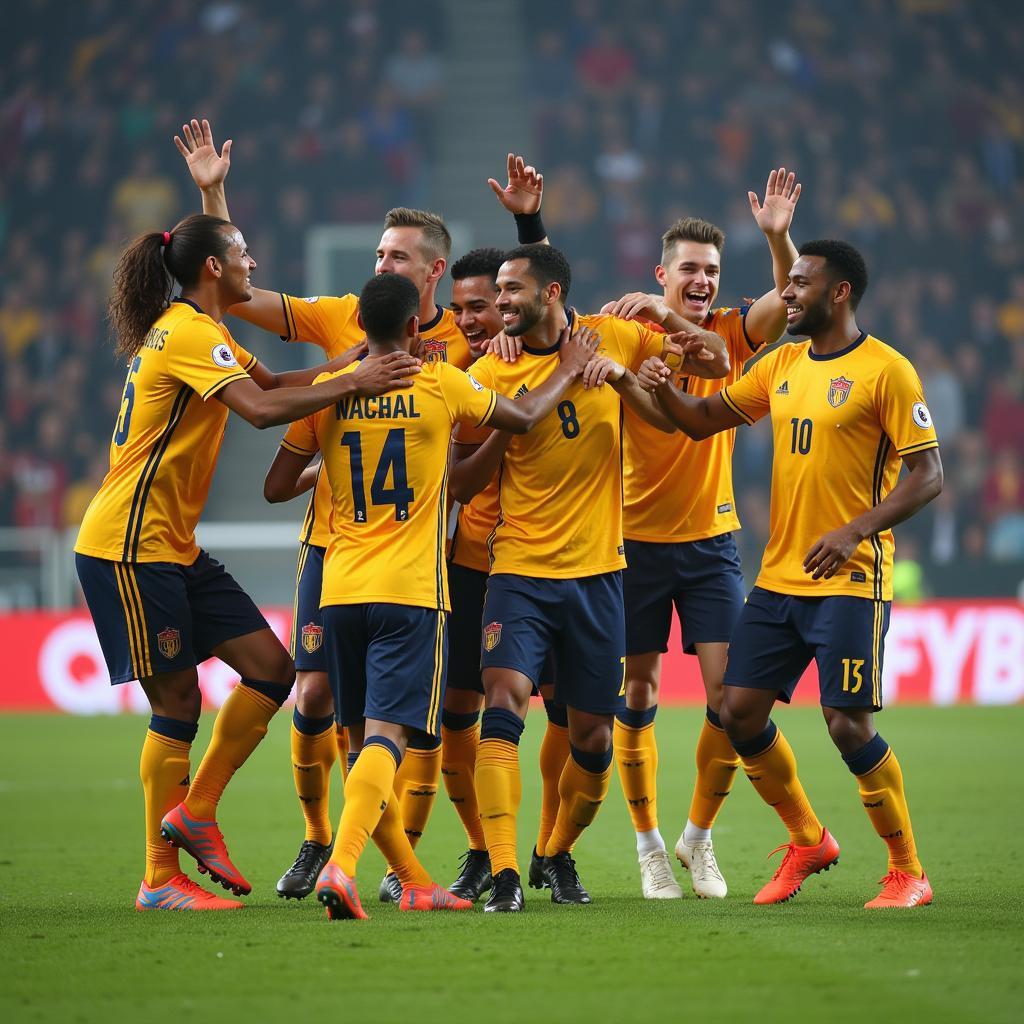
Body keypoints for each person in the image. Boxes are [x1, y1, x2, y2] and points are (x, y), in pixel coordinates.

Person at [74, 210, 420, 912]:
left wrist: (354, 364)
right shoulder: (191, 334)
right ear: (213, 268)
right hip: (129, 548)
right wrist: (356, 385)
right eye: (241, 253)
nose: (252, 263)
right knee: (176, 701)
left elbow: (284, 379)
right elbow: (262, 412)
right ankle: (158, 880)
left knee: (272, 669)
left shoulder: (207, 332)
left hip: (172, 547)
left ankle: (197, 811)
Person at [175, 118, 464, 901]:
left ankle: (391, 861)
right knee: (316, 698)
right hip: (331, 548)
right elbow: (235, 292)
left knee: (410, 724)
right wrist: (212, 194)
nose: (381, 264)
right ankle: (318, 843)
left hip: (416, 555)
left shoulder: (467, 344)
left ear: (433, 270)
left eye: (396, 255)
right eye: (378, 254)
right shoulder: (345, 316)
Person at [263, 272, 602, 919]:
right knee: (390, 742)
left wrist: (332, 461)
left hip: (339, 587)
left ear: (360, 328)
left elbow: (277, 487)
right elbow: (525, 417)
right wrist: (570, 368)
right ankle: (342, 864)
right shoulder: (440, 382)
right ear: (417, 329)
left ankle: (412, 877)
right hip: (412, 593)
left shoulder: (327, 393)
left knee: (362, 745)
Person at [637, 239, 941, 909]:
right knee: (737, 713)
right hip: (779, 578)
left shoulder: (887, 371)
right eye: (790, 282)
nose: (789, 293)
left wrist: (857, 527)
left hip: (850, 577)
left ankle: (907, 871)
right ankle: (807, 839)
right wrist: (647, 388)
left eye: (802, 284)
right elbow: (702, 420)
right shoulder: (781, 363)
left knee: (847, 724)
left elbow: (930, 474)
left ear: (839, 293)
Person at [454, 243, 723, 912]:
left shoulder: (616, 338)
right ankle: (508, 874)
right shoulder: (488, 369)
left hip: (601, 575)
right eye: (498, 291)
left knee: (595, 742)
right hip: (517, 570)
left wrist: (630, 371)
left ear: (551, 295)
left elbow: (698, 383)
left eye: (512, 289)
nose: (501, 301)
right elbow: (464, 479)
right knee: (505, 702)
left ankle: (554, 853)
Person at [600, 169, 801, 899]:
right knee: (639, 687)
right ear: (662, 273)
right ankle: (650, 844)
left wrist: (778, 236)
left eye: (712, 270)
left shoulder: (728, 333)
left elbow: (794, 299)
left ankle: (698, 837)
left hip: (712, 542)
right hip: (630, 542)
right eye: (689, 269)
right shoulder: (624, 331)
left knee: (729, 699)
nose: (703, 280)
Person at [443, 244, 571, 901]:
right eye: (459, 309)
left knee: (570, 719)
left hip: (548, 565)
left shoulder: (550, 350)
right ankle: (483, 851)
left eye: (481, 306)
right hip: (471, 564)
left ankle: (552, 849)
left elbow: (555, 287)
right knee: (460, 715)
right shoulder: (465, 370)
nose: (467, 320)